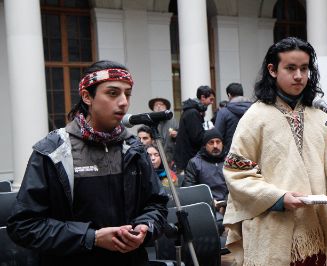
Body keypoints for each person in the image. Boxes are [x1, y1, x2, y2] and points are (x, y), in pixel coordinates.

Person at [7, 60, 169, 266]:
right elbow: (23, 226)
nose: (123, 102)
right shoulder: (53, 151)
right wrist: (90, 238)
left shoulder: (134, 148)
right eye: (112, 93)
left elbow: (157, 204)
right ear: (87, 96)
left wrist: (146, 227)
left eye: (127, 94)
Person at [222, 37, 327, 265]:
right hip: (275, 225)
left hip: (324, 226)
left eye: (304, 68)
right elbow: (237, 174)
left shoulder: (323, 115)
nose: (299, 75)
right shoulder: (254, 117)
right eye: (290, 68)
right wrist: (278, 198)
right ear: (273, 70)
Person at [182, 128, 228, 211]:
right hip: (205, 207)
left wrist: (226, 203)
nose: (215, 146)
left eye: (218, 142)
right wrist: (208, 201)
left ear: (222, 144)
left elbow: (237, 186)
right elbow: (188, 190)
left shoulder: (230, 161)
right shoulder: (195, 163)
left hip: (230, 205)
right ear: (204, 145)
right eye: (211, 142)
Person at [173, 85, 215, 172]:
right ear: (203, 97)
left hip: (187, 157)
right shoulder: (193, 113)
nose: (212, 102)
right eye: (211, 99)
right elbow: (197, 137)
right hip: (189, 158)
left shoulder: (192, 111)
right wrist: (209, 133)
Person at [214, 82, 252, 151]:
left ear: (229, 95)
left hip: (230, 153)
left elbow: (217, 135)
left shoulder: (223, 112)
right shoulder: (254, 109)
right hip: (251, 152)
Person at [148, 97, 179, 164]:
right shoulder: (149, 122)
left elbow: (181, 136)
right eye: (156, 105)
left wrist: (176, 134)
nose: (159, 106)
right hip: (153, 158)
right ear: (153, 108)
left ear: (166, 108)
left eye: (161, 104)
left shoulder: (173, 121)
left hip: (170, 156)